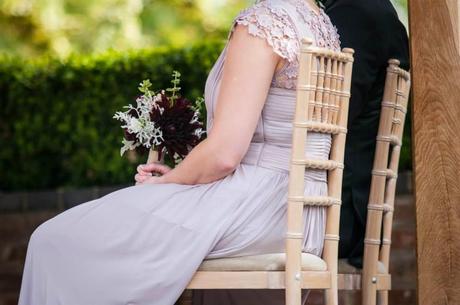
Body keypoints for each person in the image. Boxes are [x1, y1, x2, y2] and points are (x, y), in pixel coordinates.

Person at [18, 0, 340, 304]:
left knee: (53, 242)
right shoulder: (320, 22)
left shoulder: (264, 23)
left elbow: (224, 155)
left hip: (258, 207)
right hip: (304, 212)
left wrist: (166, 183)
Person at [324, 0, 410, 268]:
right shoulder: (374, 8)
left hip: (338, 215)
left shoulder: (352, 12)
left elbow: (330, 121)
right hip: (352, 206)